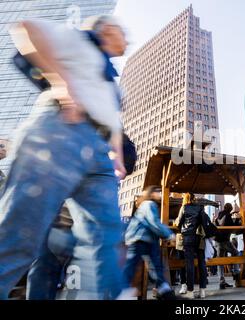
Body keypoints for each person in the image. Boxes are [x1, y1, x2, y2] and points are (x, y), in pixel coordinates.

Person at [0, 15, 128, 299]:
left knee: (106, 236)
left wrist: (117, 154)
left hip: (98, 153)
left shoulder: (110, 80)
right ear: (108, 29)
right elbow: (25, 28)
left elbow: (112, 120)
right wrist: (61, 83)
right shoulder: (78, 40)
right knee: (21, 232)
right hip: (60, 132)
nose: (127, 40)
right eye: (124, 33)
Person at [122, 186, 175, 300]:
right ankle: (163, 288)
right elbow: (154, 222)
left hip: (144, 239)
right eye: (158, 192)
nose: (160, 194)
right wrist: (169, 234)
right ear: (151, 193)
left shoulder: (145, 205)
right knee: (140, 265)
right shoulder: (149, 204)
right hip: (139, 238)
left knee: (144, 264)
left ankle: (163, 287)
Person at [176, 193, 208, 299]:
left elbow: (179, 223)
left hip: (188, 237)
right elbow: (204, 222)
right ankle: (202, 291)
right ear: (194, 199)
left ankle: (190, 291)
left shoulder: (184, 207)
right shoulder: (200, 208)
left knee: (189, 264)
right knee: (202, 263)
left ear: (185, 199)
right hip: (200, 238)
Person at [214, 203, 241, 289]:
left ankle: (222, 282)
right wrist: (237, 219)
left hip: (217, 241)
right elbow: (233, 227)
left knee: (220, 261)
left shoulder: (218, 216)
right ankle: (236, 272)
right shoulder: (227, 215)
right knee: (236, 253)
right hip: (225, 240)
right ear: (230, 209)